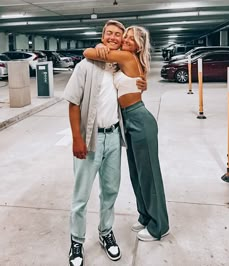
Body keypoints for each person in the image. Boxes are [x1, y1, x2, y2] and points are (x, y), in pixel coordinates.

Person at [64, 20, 147, 266]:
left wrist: (143, 83)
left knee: (110, 191)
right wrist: (77, 138)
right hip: (90, 139)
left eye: (117, 35)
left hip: (114, 137)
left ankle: (105, 233)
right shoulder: (85, 66)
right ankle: (76, 242)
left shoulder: (118, 68)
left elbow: (133, 87)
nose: (113, 37)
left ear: (121, 40)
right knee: (81, 196)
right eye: (109, 33)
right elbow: (73, 103)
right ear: (103, 36)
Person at [83, 25, 169, 242]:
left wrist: (99, 46)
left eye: (132, 38)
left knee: (149, 174)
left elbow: (87, 53)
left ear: (139, 44)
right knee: (137, 173)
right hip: (127, 121)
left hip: (139, 119)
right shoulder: (124, 60)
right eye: (127, 37)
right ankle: (146, 216)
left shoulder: (126, 57)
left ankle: (160, 226)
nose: (127, 40)